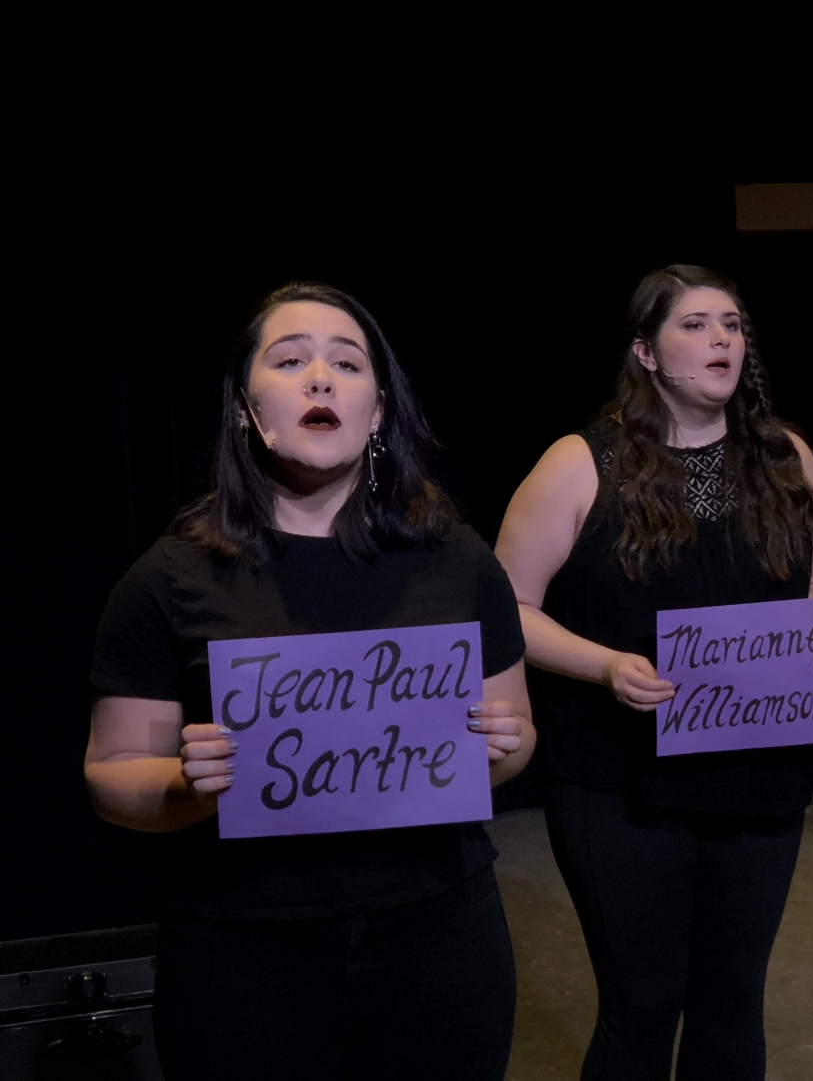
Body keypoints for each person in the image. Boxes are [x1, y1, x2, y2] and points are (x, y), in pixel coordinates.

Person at [85, 282, 533, 1081]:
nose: (321, 378)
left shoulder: (456, 558)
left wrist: (499, 747)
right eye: (290, 361)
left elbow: (516, 737)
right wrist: (190, 785)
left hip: (439, 936)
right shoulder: (169, 578)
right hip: (243, 954)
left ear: (379, 411)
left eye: (347, 364)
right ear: (244, 407)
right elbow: (110, 774)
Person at [495, 264, 813, 1080]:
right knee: (644, 1005)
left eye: (732, 324)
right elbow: (507, 608)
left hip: (759, 773)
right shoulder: (581, 463)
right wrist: (606, 666)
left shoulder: (786, 458)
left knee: (733, 1002)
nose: (722, 338)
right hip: (622, 783)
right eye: (695, 325)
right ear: (646, 353)